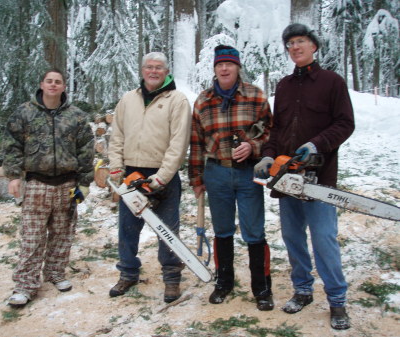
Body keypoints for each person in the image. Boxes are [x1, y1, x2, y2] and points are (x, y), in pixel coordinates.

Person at [254, 23, 355, 330]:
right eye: (290, 44)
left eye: (300, 42)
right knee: (292, 237)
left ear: (314, 46)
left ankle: (337, 300)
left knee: (323, 238)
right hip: (286, 177)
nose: (295, 47)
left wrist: (316, 144)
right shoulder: (284, 85)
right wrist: (269, 154)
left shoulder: (332, 82)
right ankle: (303, 289)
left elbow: (345, 124)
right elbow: (277, 128)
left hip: (319, 176)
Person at [188, 45, 274, 310]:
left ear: (238, 67)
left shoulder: (255, 96)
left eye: (229, 64)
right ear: (214, 68)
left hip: (249, 173)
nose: (224, 69)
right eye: (219, 64)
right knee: (223, 229)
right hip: (216, 173)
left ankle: (261, 287)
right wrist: (196, 179)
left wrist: (254, 146)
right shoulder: (203, 100)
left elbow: (271, 131)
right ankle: (224, 282)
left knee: (254, 231)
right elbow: (197, 143)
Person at [3, 69, 94, 308]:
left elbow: (86, 150)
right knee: (32, 237)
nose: (53, 85)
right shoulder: (24, 113)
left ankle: (55, 273)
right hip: (36, 183)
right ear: (42, 84)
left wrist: (84, 183)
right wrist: (14, 176)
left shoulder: (77, 117)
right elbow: (13, 146)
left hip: (68, 184)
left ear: (64, 87)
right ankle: (25, 285)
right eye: (49, 81)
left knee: (63, 234)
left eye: (58, 82)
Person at [107, 52, 192, 303]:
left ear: (167, 71)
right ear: (142, 70)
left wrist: (161, 178)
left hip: (161, 173)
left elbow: (178, 144)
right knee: (127, 228)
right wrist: (115, 167)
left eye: (159, 68)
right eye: (149, 67)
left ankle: (171, 278)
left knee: (167, 230)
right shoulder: (127, 99)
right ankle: (128, 272)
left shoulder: (177, 100)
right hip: (131, 172)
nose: (153, 71)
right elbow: (117, 136)